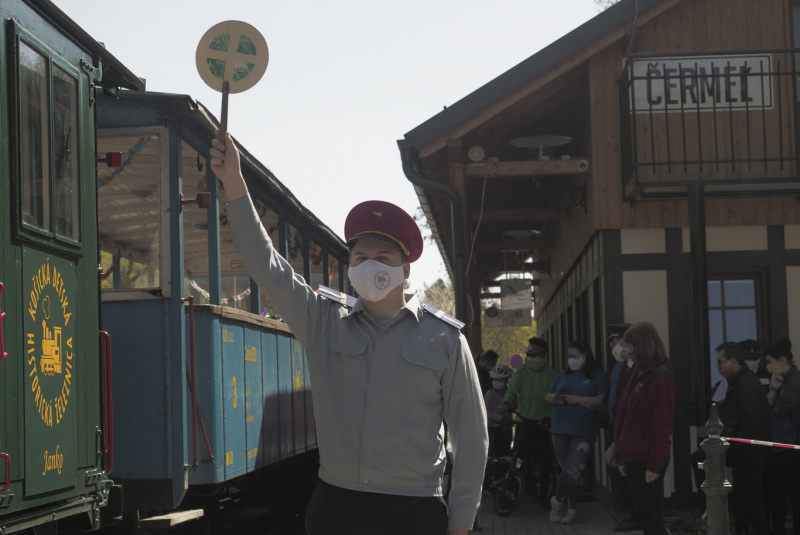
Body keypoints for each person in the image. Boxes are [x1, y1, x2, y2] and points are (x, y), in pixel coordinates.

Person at [210, 132, 488, 535]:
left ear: (405, 269)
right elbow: (267, 267)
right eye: (359, 257)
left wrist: (461, 521)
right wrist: (234, 182)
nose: (369, 265)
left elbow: (471, 436)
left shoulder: (444, 339)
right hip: (336, 506)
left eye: (383, 257)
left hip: (414, 509)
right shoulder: (322, 320)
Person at [613, 322, 676, 535]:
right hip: (633, 457)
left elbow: (661, 425)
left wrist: (654, 465)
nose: (626, 349)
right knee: (645, 517)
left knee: (652, 520)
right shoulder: (637, 372)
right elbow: (625, 417)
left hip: (647, 458)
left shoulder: (660, 375)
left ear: (641, 344)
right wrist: (622, 457)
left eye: (630, 344)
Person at [545, 340, 607, 524]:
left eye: (575, 356)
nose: (571, 360)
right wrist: (557, 398)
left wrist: (577, 399)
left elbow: (599, 402)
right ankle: (571, 509)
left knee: (573, 470)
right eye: (569, 356)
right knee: (567, 471)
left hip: (583, 431)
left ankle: (557, 502)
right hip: (559, 429)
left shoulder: (598, 376)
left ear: (585, 355)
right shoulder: (563, 375)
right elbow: (547, 396)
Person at [715, 342, 771, 535]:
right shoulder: (740, 382)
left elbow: (750, 422)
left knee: (750, 498)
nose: (718, 366)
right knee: (742, 498)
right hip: (743, 451)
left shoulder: (746, 384)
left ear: (732, 361)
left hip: (748, 452)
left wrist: (733, 445)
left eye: (720, 362)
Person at [501, 337, 558, 509]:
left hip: (542, 424)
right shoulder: (522, 371)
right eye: (529, 355)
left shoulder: (552, 375)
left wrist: (551, 418)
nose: (532, 359)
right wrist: (506, 402)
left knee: (545, 461)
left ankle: (543, 496)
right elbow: (512, 391)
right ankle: (517, 489)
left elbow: (555, 401)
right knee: (518, 458)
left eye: (535, 355)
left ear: (544, 355)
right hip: (523, 422)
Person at [601, 324, 642, 532]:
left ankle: (635, 515)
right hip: (614, 423)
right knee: (619, 470)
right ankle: (627, 512)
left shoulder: (635, 367)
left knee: (628, 473)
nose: (615, 346)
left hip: (627, 428)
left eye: (619, 342)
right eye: (613, 342)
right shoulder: (617, 364)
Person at [763, 338, 800, 535]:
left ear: (782, 359)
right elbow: (767, 408)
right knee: (777, 497)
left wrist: (772, 402)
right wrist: (774, 389)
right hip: (777, 447)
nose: (768, 366)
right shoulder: (780, 381)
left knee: (794, 497)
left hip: (792, 447)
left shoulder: (795, 379)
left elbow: (780, 410)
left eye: (770, 361)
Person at [485, 365, 514, 457]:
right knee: (492, 456)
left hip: (506, 431)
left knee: (505, 455)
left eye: (500, 380)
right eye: (495, 380)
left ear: (506, 381)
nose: (497, 382)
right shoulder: (490, 394)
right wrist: (501, 419)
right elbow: (486, 412)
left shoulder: (509, 394)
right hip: (493, 432)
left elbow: (515, 407)